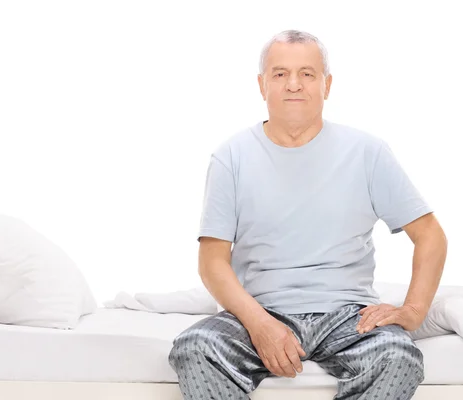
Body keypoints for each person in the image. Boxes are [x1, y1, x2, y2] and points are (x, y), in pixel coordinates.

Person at [168, 29, 447, 400]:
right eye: (280, 74)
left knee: (399, 357)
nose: (294, 85)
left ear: (326, 85)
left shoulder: (367, 152)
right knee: (194, 348)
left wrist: (413, 310)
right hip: (262, 311)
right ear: (262, 85)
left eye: (307, 74)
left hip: (348, 316)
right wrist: (259, 323)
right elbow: (212, 262)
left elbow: (429, 234)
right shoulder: (231, 157)